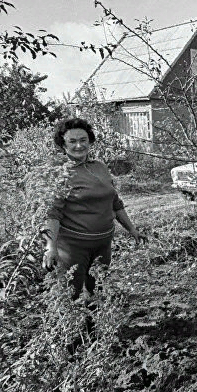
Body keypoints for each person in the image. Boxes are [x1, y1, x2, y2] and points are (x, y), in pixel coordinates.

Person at [42, 117, 145, 300]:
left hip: (103, 244)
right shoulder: (59, 173)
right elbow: (52, 213)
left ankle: (94, 328)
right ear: (62, 144)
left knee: (96, 290)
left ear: (90, 140)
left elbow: (115, 202)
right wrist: (51, 247)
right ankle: (74, 328)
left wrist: (132, 229)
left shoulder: (100, 167)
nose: (79, 145)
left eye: (83, 140)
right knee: (70, 295)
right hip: (73, 247)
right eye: (72, 141)